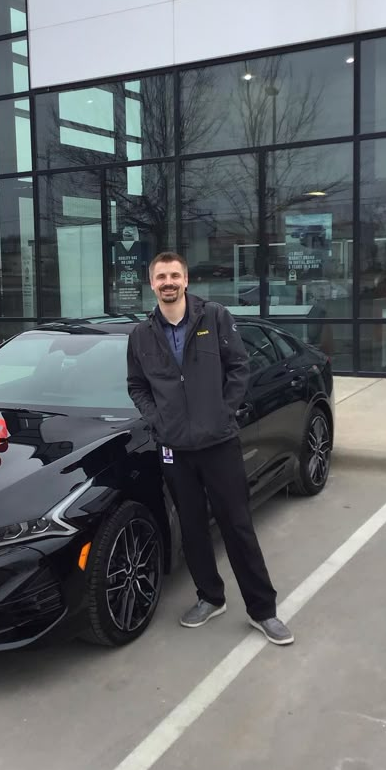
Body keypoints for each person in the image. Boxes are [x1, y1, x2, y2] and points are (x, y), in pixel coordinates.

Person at [126, 252, 293, 645]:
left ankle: (263, 611)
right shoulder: (141, 335)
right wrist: (158, 419)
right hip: (175, 447)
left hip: (218, 443)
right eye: (160, 276)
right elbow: (137, 385)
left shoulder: (214, 317)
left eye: (174, 275)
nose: (168, 282)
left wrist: (222, 411)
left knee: (237, 525)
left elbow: (239, 367)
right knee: (193, 527)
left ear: (185, 280)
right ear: (152, 284)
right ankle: (210, 597)